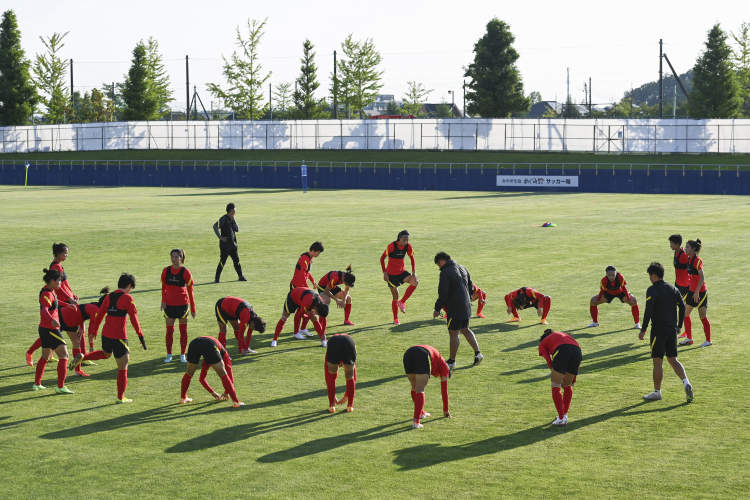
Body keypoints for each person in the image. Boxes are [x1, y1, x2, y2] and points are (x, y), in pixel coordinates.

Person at [81, 273, 146, 403]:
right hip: (120, 337)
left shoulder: (108, 297)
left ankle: (84, 357)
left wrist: (94, 330)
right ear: (128, 286)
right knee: (123, 367)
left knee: (106, 353)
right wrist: (140, 335)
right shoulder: (128, 298)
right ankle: (120, 397)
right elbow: (134, 319)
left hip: (106, 334)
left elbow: (99, 315)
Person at [638, 262, 693, 403]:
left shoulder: (651, 290)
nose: (649, 278)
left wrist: (643, 329)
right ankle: (686, 382)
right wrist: (679, 326)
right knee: (673, 359)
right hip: (672, 330)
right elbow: (682, 306)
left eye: (650, 275)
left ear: (654, 275)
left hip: (658, 330)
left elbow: (648, 311)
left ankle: (657, 392)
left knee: (657, 362)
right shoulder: (673, 289)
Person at [25, 243, 78, 365]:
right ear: (58, 253)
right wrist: (69, 299)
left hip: (61, 301)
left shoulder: (59, 266)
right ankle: (32, 352)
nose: (66, 255)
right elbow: (60, 287)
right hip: (56, 303)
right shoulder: (55, 267)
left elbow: (65, 283)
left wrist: (72, 295)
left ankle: (48, 353)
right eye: (65, 253)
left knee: (54, 332)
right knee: (53, 331)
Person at [431, 252, 483, 370]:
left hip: (455, 308)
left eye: (438, 265)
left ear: (441, 261)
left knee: (453, 333)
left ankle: (451, 361)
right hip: (466, 306)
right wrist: (468, 300)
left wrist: (437, 308)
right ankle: (478, 353)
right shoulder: (462, 268)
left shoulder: (445, 272)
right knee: (465, 329)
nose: (439, 267)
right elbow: (471, 287)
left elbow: (443, 294)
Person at [32, 268, 74, 394]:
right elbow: (44, 310)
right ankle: (60, 386)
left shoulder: (49, 291)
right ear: (51, 281)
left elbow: (54, 302)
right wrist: (52, 320)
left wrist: (67, 305)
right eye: (59, 281)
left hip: (45, 329)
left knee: (45, 356)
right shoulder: (47, 294)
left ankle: (37, 384)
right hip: (50, 329)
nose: (60, 283)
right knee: (64, 355)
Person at [179, 336, 244, 407]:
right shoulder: (224, 356)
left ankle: (183, 398)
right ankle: (236, 402)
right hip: (209, 344)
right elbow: (230, 378)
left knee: (189, 373)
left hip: (194, 343)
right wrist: (226, 393)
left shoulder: (207, 359)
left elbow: (201, 379)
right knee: (223, 374)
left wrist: (214, 393)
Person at [538, 329, 582, 426]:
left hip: (562, 351)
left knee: (555, 385)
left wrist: (555, 371)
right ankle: (564, 415)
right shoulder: (563, 335)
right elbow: (576, 352)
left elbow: (549, 361)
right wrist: (573, 377)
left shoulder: (542, 343)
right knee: (567, 385)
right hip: (577, 352)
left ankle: (561, 418)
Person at [161, 248, 196, 363]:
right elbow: (163, 288)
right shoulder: (166, 271)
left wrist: (193, 308)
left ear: (181, 258)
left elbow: (191, 291)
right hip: (169, 306)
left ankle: (182, 355)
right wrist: (163, 301)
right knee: (169, 331)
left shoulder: (185, 272)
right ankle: (169, 354)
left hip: (182, 306)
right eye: (172, 257)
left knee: (183, 331)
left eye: (176, 257)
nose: (174, 259)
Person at [403, 345, 451, 429]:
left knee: (414, 387)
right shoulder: (445, 369)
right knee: (420, 389)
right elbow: (444, 391)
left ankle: (422, 413)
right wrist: (446, 410)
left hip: (408, 353)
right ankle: (416, 422)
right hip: (422, 354)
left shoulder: (439, 360)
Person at [380, 230, 418, 325]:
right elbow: (382, 258)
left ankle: (402, 302)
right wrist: (384, 273)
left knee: (415, 281)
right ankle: (395, 318)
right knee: (395, 296)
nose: (406, 241)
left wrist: (414, 272)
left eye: (407, 239)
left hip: (402, 273)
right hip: (391, 275)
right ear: (399, 238)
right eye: (404, 239)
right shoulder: (391, 246)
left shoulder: (408, 246)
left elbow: (412, 259)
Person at [60, 299, 103, 377]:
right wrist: (91, 346)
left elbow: (81, 312)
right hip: (63, 317)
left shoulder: (94, 306)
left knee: (76, 342)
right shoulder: (97, 310)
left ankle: (78, 371)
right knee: (48, 342)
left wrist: (81, 327)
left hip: (71, 320)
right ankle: (30, 352)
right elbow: (91, 328)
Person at [289, 242, 324, 337]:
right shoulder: (304, 258)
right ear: (313, 250)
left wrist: (313, 281)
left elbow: (307, 273)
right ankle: (296, 333)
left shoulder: (310, 258)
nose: (318, 255)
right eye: (318, 253)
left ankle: (303, 328)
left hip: (303, 287)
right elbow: (301, 275)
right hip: (296, 287)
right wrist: (308, 289)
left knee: (310, 306)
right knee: (302, 310)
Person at [680, 239, 711, 347]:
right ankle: (689, 338)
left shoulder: (698, 260)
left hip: (700, 292)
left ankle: (708, 341)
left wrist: (697, 291)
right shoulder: (689, 259)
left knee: (702, 316)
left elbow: (702, 277)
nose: (685, 248)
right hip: (691, 291)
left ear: (693, 249)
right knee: (685, 314)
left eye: (687, 247)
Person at [213, 203, 246, 283]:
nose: (235, 211)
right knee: (222, 261)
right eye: (235, 209)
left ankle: (240, 276)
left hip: (233, 245)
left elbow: (237, 229)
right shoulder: (223, 218)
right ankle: (216, 279)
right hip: (225, 246)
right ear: (231, 210)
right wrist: (220, 237)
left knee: (236, 261)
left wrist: (233, 220)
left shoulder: (232, 219)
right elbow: (214, 226)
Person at [324, 334, 357, 413]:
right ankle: (350, 406)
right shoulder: (352, 347)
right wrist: (347, 396)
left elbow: (328, 378)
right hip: (349, 342)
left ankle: (332, 406)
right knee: (350, 376)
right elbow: (354, 377)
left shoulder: (328, 355)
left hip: (333, 343)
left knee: (331, 376)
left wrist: (332, 397)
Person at [669, 234, 692, 339]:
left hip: (684, 285)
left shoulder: (683, 255)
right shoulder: (676, 252)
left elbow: (690, 266)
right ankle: (683, 331)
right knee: (677, 307)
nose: (670, 245)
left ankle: (678, 328)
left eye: (672, 243)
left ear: (678, 244)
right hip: (678, 284)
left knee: (682, 307)